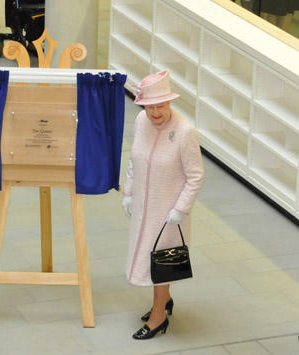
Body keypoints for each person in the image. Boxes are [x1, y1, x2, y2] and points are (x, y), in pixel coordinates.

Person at [122, 70, 204, 339]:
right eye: (150, 107)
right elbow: (134, 159)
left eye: (160, 106)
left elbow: (195, 175)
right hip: (145, 206)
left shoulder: (185, 132)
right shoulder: (141, 122)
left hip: (169, 212)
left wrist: (180, 209)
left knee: (160, 262)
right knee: (148, 257)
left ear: (170, 103)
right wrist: (129, 193)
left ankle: (158, 318)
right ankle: (164, 301)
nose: (155, 113)